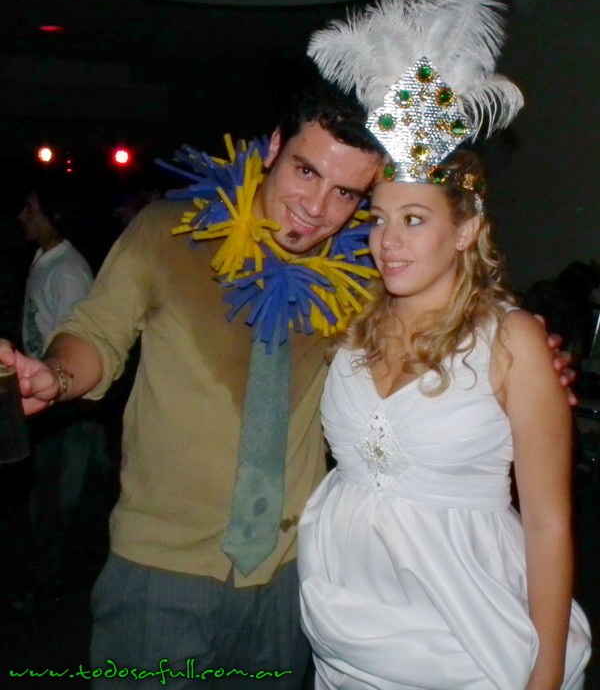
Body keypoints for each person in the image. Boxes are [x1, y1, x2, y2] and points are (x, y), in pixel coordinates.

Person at [0, 40, 576, 685]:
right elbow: (94, 336)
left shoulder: (365, 278)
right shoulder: (168, 232)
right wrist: (55, 375)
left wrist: (532, 361)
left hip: (294, 577)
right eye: (305, 171)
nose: (316, 207)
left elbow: (452, 321)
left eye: (346, 193)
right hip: (161, 570)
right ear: (274, 146)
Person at [298, 0, 591, 688]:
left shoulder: (512, 342)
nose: (387, 241)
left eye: (415, 220)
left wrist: (546, 673)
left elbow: (548, 524)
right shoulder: (348, 319)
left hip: (466, 637)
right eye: (378, 218)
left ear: (465, 230)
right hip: (343, 631)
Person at [17, 178, 109, 597]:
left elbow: (80, 345)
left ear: (52, 217)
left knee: (58, 499)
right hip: (49, 406)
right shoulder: (44, 261)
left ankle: (49, 588)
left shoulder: (68, 271)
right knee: (49, 496)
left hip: (69, 411)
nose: (23, 216)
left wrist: (59, 387)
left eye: (31, 208)